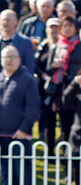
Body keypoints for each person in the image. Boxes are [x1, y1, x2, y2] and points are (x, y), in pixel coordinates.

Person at [0, 46, 40, 185]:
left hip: (19, 136)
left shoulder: (27, 79)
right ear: (1, 60)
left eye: (12, 57)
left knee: (23, 174)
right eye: (6, 57)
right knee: (5, 172)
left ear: (19, 60)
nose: (9, 60)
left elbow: (33, 107)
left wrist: (24, 129)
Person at [50, 16, 81, 144]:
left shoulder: (79, 45)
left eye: (70, 26)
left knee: (76, 123)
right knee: (64, 124)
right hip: (61, 89)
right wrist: (53, 66)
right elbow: (48, 69)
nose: (67, 29)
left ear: (76, 29)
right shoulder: (56, 46)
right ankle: (65, 154)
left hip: (77, 87)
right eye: (65, 26)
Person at [0, 10, 36, 78]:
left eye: (8, 20)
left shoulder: (25, 42)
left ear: (16, 21)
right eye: (3, 20)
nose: (6, 23)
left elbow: (29, 68)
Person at [36, 17, 62, 149]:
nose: (54, 31)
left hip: (60, 88)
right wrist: (45, 74)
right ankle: (50, 152)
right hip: (45, 90)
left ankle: (65, 151)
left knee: (63, 122)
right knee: (48, 122)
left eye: (56, 28)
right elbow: (36, 64)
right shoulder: (43, 45)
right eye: (51, 28)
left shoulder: (64, 46)